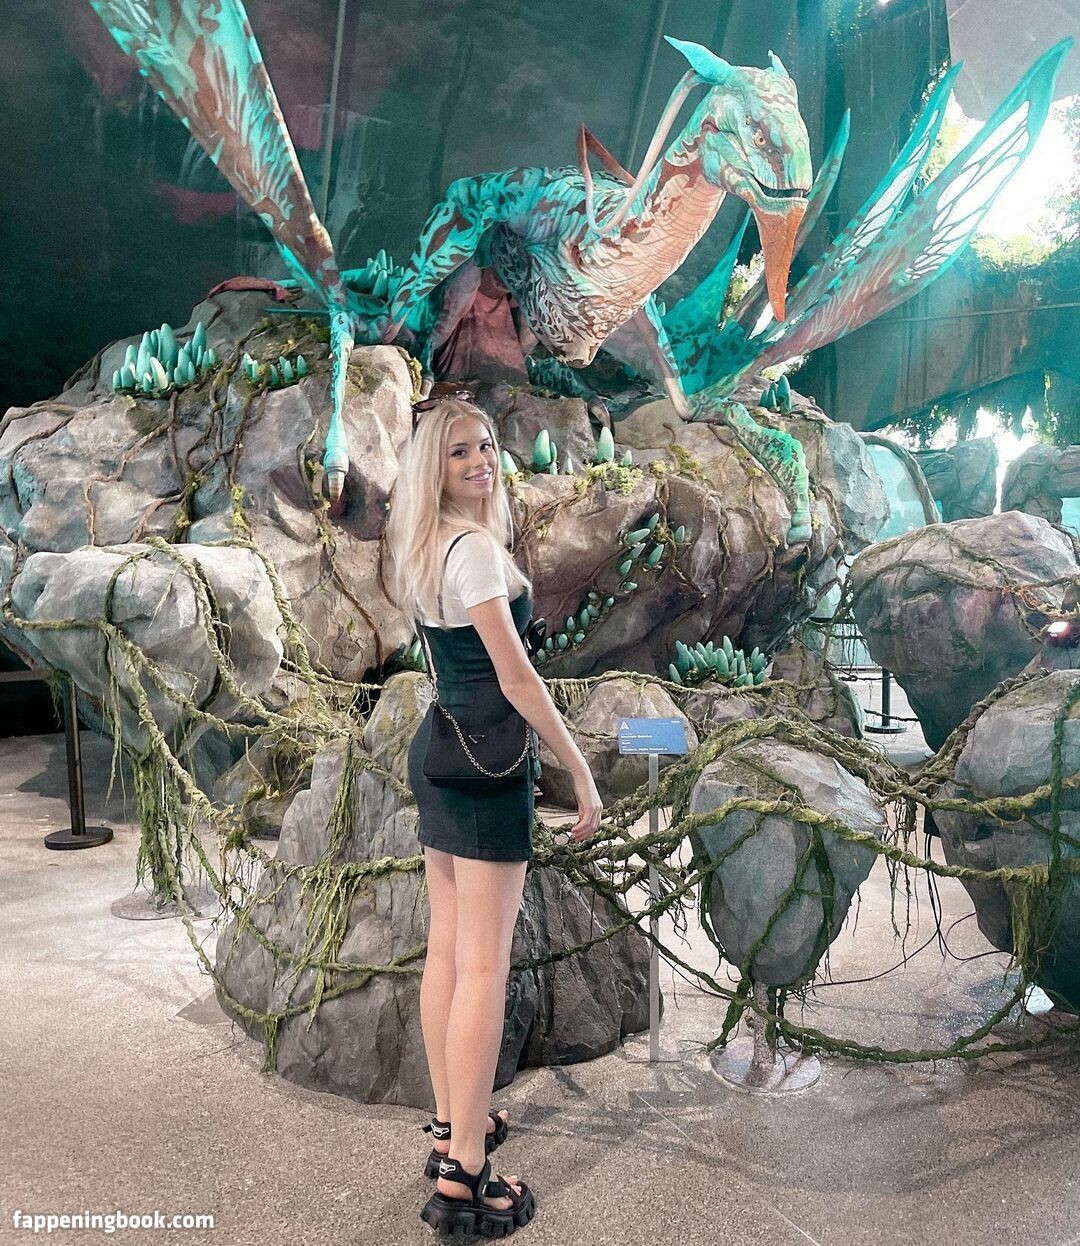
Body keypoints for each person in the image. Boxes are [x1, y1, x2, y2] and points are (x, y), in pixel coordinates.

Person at [384, 394, 604, 1237]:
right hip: (485, 762)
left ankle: (453, 1124)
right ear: (433, 468)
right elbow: (516, 679)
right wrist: (578, 767)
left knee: (448, 952)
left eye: (485, 446)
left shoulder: (424, 544)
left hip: (442, 749)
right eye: (459, 452)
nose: (480, 461)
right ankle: (465, 1176)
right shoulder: (473, 551)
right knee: (482, 966)